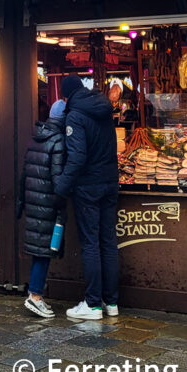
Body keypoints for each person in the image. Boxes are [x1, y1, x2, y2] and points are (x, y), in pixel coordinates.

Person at [54, 74, 120, 321]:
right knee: (108, 242)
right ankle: (110, 302)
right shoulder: (103, 109)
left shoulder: (75, 115)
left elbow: (77, 157)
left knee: (91, 243)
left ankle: (92, 305)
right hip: (110, 182)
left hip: (89, 187)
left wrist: (61, 188)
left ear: (66, 95)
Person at [17, 99, 67, 318]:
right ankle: (35, 296)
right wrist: (62, 203)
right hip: (47, 203)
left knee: (41, 250)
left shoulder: (35, 139)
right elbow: (58, 179)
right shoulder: (58, 142)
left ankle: (35, 294)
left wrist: (21, 202)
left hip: (33, 201)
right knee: (43, 252)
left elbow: (23, 175)